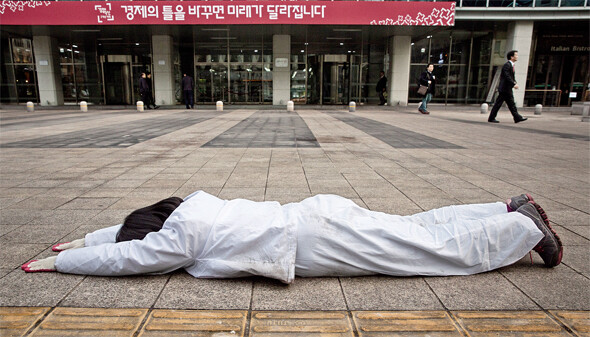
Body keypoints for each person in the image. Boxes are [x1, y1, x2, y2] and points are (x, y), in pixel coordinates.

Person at [21, 191, 563, 284]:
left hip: (316, 241)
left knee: (430, 252)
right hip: (317, 214)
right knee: (415, 229)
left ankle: (521, 228)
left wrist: (64, 264)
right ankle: (503, 209)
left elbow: (131, 258)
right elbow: (130, 232)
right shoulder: (188, 206)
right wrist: (85, 240)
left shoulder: (178, 240)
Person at [488, 50, 527, 123]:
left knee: (509, 104)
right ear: (511, 57)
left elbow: (510, 76)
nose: (517, 56)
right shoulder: (507, 65)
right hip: (505, 89)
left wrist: (514, 81)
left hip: (506, 89)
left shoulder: (510, 65)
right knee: (503, 104)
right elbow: (507, 76)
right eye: (516, 55)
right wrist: (513, 84)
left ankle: (516, 117)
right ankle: (516, 117)